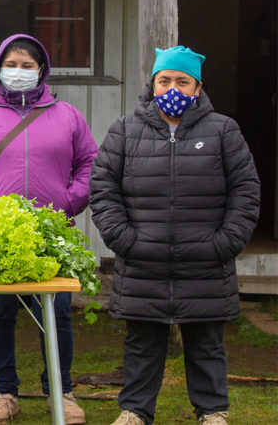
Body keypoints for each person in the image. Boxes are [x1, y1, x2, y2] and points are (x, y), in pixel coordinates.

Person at [89, 46, 260, 425]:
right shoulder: (124, 130)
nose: (173, 88)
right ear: (152, 84)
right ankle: (134, 411)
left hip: (205, 261)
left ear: (197, 88)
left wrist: (224, 244)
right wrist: (126, 241)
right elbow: (103, 190)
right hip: (143, 260)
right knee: (141, 343)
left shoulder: (223, 130)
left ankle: (212, 412)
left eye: (183, 81)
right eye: (164, 80)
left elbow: (246, 191)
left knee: (207, 343)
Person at [0, 34, 96, 425]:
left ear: (42, 71)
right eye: (12, 64)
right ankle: (3, 392)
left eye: (28, 66)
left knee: (57, 313)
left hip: (50, 231)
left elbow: (90, 163)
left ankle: (61, 391)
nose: (19, 72)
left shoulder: (68, 115)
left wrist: (69, 200)